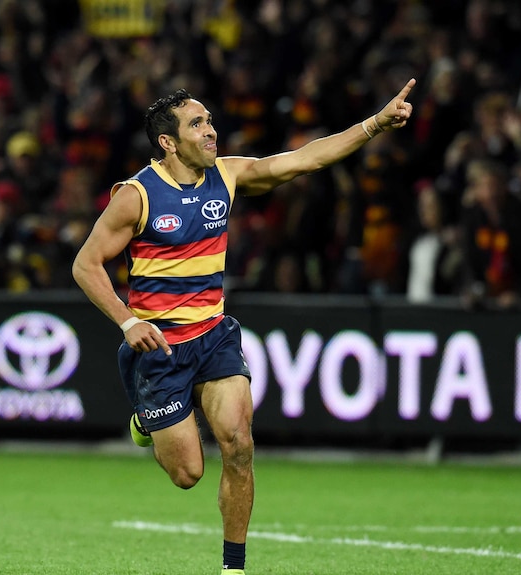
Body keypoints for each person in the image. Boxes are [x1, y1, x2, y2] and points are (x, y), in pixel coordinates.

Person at [72, 79, 415, 574]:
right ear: (168, 142)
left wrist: (375, 124)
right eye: (198, 125)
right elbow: (86, 265)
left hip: (214, 336)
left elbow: (306, 158)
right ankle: (146, 421)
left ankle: (234, 568)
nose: (212, 131)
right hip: (159, 346)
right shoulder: (136, 196)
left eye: (209, 120)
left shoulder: (227, 175)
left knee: (238, 443)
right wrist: (127, 321)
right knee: (188, 473)